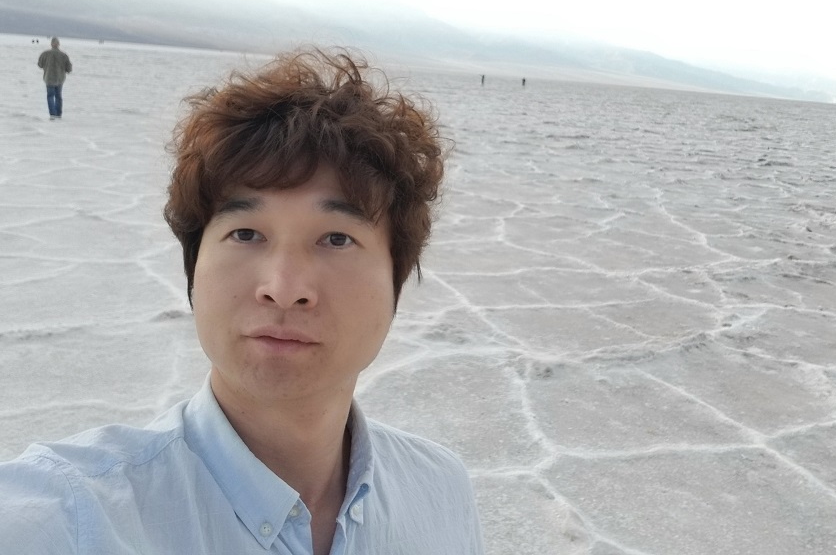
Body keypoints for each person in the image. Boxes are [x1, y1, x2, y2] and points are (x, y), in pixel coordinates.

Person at [0, 49, 484, 554]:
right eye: (247, 233)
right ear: (194, 268)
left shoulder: (439, 492)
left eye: (337, 238)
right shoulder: (74, 519)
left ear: (396, 279)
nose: (284, 287)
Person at [37, 36, 72, 120]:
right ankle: (58, 114)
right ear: (58, 44)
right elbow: (69, 69)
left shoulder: (45, 54)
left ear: (51, 44)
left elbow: (40, 65)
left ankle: (52, 114)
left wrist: (46, 66)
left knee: (50, 96)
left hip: (49, 78)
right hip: (60, 79)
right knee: (58, 96)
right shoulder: (64, 55)